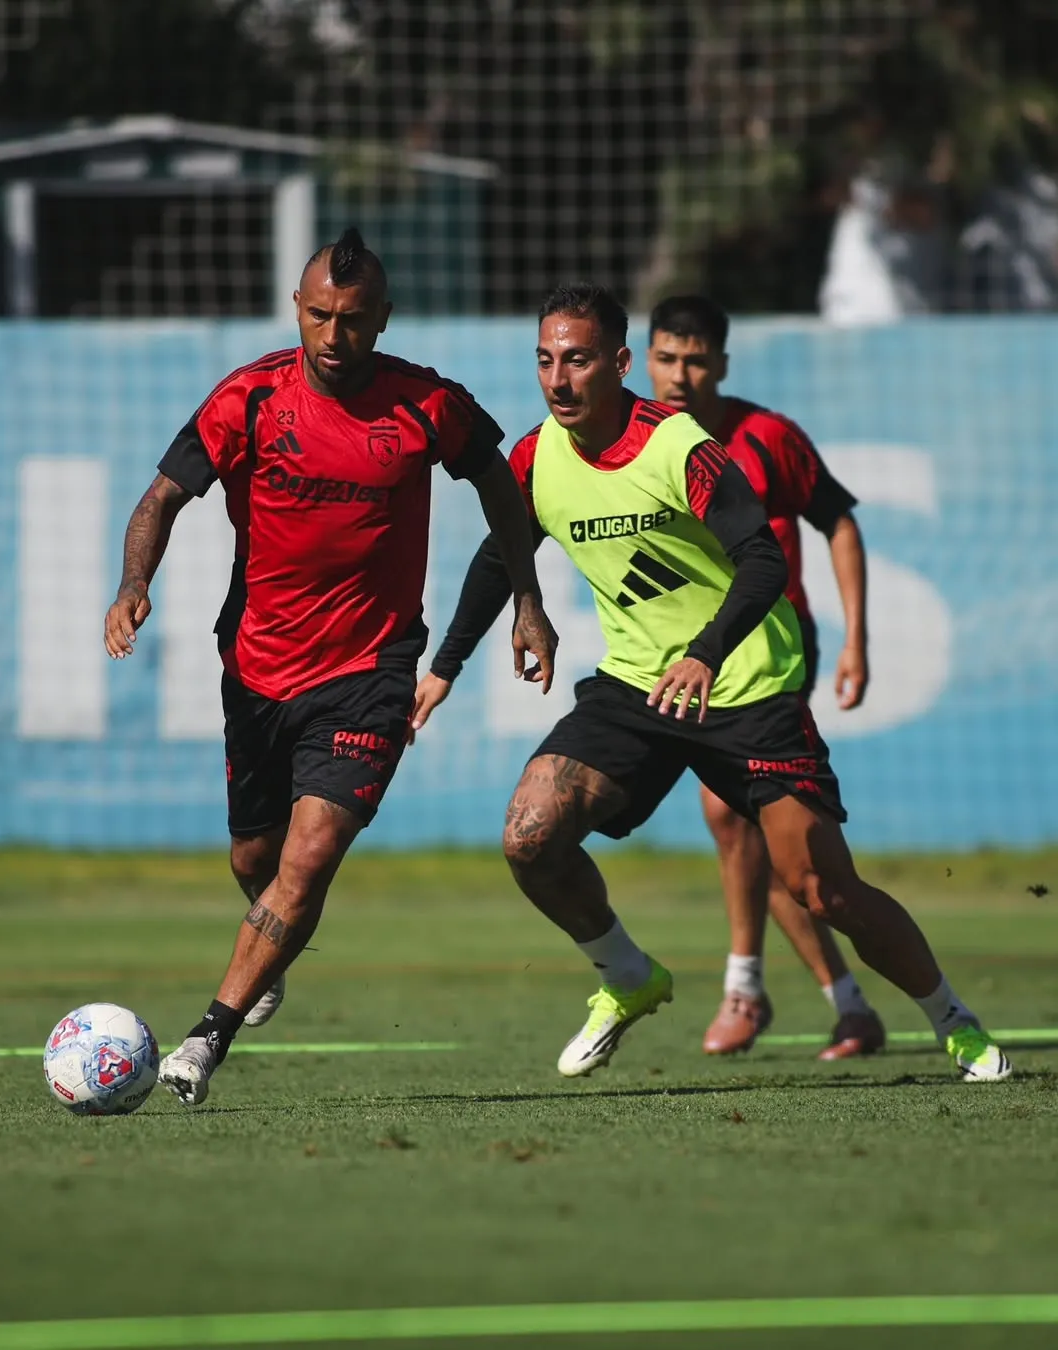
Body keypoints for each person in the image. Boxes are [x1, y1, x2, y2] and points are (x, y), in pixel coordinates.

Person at [412, 281, 1011, 1085]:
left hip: (749, 685)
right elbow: (500, 554)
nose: (558, 380)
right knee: (529, 835)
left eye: (578, 360)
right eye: (545, 361)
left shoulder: (679, 445)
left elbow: (763, 556)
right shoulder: (535, 455)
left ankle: (953, 1021)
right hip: (638, 689)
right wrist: (450, 662)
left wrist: (705, 653)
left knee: (822, 889)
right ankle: (627, 974)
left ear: (620, 365)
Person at [103, 229, 556, 1106]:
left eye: (352, 320)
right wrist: (132, 583)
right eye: (319, 316)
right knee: (256, 856)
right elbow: (163, 496)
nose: (334, 336)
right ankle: (267, 949)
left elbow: (502, 485)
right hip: (259, 664)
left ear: (381, 319)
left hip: (371, 668)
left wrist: (528, 602)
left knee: (309, 859)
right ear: (298, 311)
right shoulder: (248, 400)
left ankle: (207, 1036)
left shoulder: (427, 406)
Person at [646, 294, 883, 1060]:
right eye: (666, 358)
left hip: (774, 645)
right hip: (683, 653)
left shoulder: (766, 437)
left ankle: (744, 990)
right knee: (776, 849)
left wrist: (858, 641)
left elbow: (838, 521)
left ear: (720, 363)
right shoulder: (631, 442)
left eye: (695, 360)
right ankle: (844, 1002)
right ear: (643, 359)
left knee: (728, 816)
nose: (679, 375)